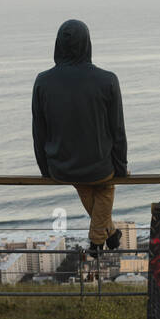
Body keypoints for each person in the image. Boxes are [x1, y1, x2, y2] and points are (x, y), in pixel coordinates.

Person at [31, 19, 129, 257]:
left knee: (86, 183)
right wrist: (121, 167)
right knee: (105, 187)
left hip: (62, 167)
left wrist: (45, 168)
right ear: (88, 43)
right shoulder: (108, 80)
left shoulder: (43, 82)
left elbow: (39, 130)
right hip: (100, 167)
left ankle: (112, 234)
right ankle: (98, 240)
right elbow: (117, 129)